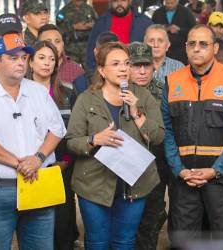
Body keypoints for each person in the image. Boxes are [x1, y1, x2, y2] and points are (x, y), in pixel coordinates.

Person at [66, 42, 164, 249]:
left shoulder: (143, 97)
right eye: (116, 64)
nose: (124, 68)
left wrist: (136, 112)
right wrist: (94, 139)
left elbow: (158, 137)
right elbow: (72, 141)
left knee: (124, 242)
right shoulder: (86, 99)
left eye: (127, 63)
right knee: (97, 243)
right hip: (94, 186)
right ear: (102, 70)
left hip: (135, 186)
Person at [161, 24, 223, 246]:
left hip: (221, 179)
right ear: (185, 47)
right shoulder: (173, 81)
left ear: (215, 47)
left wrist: (215, 169)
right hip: (184, 180)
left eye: (203, 44)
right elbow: (167, 130)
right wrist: (179, 170)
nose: (197, 49)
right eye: (192, 44)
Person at [0, 33, 66, 250]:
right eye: (13, 57)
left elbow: (57, 129)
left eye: (23, 58)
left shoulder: (38, 92)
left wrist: (37, 158)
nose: (20, 62)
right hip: (1, 191)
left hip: (39, 185)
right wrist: (20, 164)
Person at [25, 40, 77, 250]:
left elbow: (74, 131)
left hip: (61, 168)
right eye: (42, 57)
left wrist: (64, 162)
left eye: (52, 59)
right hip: (30, 169)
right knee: (34, 228)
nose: (47, 63)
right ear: (30, 62)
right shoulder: (20, 92)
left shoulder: (67, 92)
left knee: (62, 225)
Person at [127, 42, 166, 250]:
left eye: (146, 66)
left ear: (154, 67)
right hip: (123, 163)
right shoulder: (116, 90)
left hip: (156, 161)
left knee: (152, 215)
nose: (142, 71)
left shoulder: (163, 91)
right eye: (136, 66)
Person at [86, 0, 152, 70]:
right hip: (108, 74)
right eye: (115, 1)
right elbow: (91, 49)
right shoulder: (101, 22)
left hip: (137, 71)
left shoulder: (145, 22)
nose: (119, 4)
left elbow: (152, 49)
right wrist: (93, 73)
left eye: (123, 0)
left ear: (130, 1)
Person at [56, 0, 98, 68]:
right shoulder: (63, 11)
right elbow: (59, 28)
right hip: (71, 48)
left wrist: (91, 25)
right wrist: (73, 26)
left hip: (87, 47)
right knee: (71, 72)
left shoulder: (89, 9)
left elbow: (98, 23)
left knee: (91, 71)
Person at [152, 0, 196, 64]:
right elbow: (151, 29)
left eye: (172, 3)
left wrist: (179, 30)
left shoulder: (186, 12)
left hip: (180, 52)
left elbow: (193, 31)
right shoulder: (158, 13)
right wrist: (162, 29)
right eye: (167, 3)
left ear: (177, 1)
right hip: (161, 51)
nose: (170, 5)